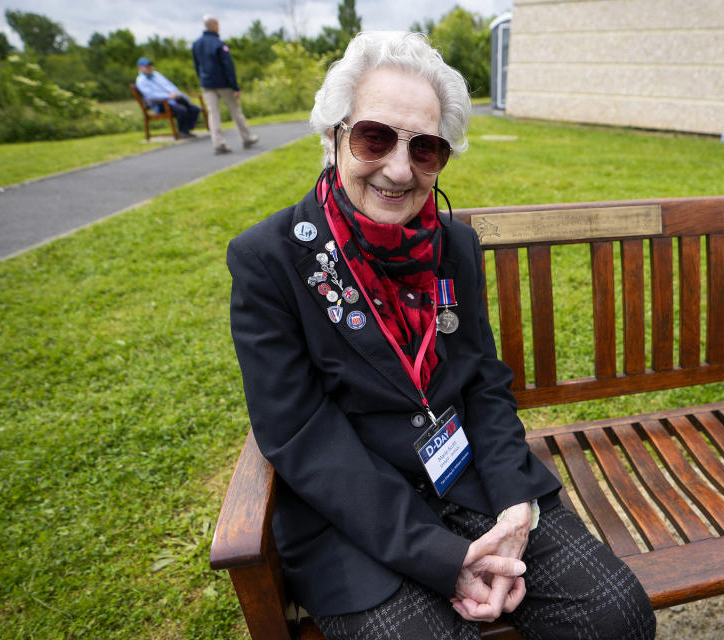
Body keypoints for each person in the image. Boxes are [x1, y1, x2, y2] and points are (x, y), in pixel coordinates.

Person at [226, 31, 656, 640]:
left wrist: (514, 504)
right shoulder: (267, 259)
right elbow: (301, 433)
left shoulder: (453, 246)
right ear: (333, 136)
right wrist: (441, 558)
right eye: (374, 137)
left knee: (616, 619)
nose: (399, 170)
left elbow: (482, 380)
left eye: (425, 148)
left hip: (471, 478)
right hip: (353, 519)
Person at [192, 14, 259, 155]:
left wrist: (202, 80)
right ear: (214, 25)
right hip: (223, 84)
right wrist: (234, 86)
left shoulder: (196, 44)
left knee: (213, 114)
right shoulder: (219, 44)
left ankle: (218, 143)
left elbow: (197, 66)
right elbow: (228, 66)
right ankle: (246, 137)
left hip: (207, 84)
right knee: (236, 111)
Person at [134, 57, 201, 138]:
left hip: (173, 101)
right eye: (146, 66)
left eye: (150, 66)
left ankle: (186, 130)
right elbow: (151, 95)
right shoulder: (141, 80)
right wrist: (168, 96)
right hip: (160, 104)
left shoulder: (156, 75)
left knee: (195, 109)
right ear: (140, 68)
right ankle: (182, 132)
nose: (149, 68)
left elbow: (170, 85)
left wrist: (175, 93)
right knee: (181, 109)